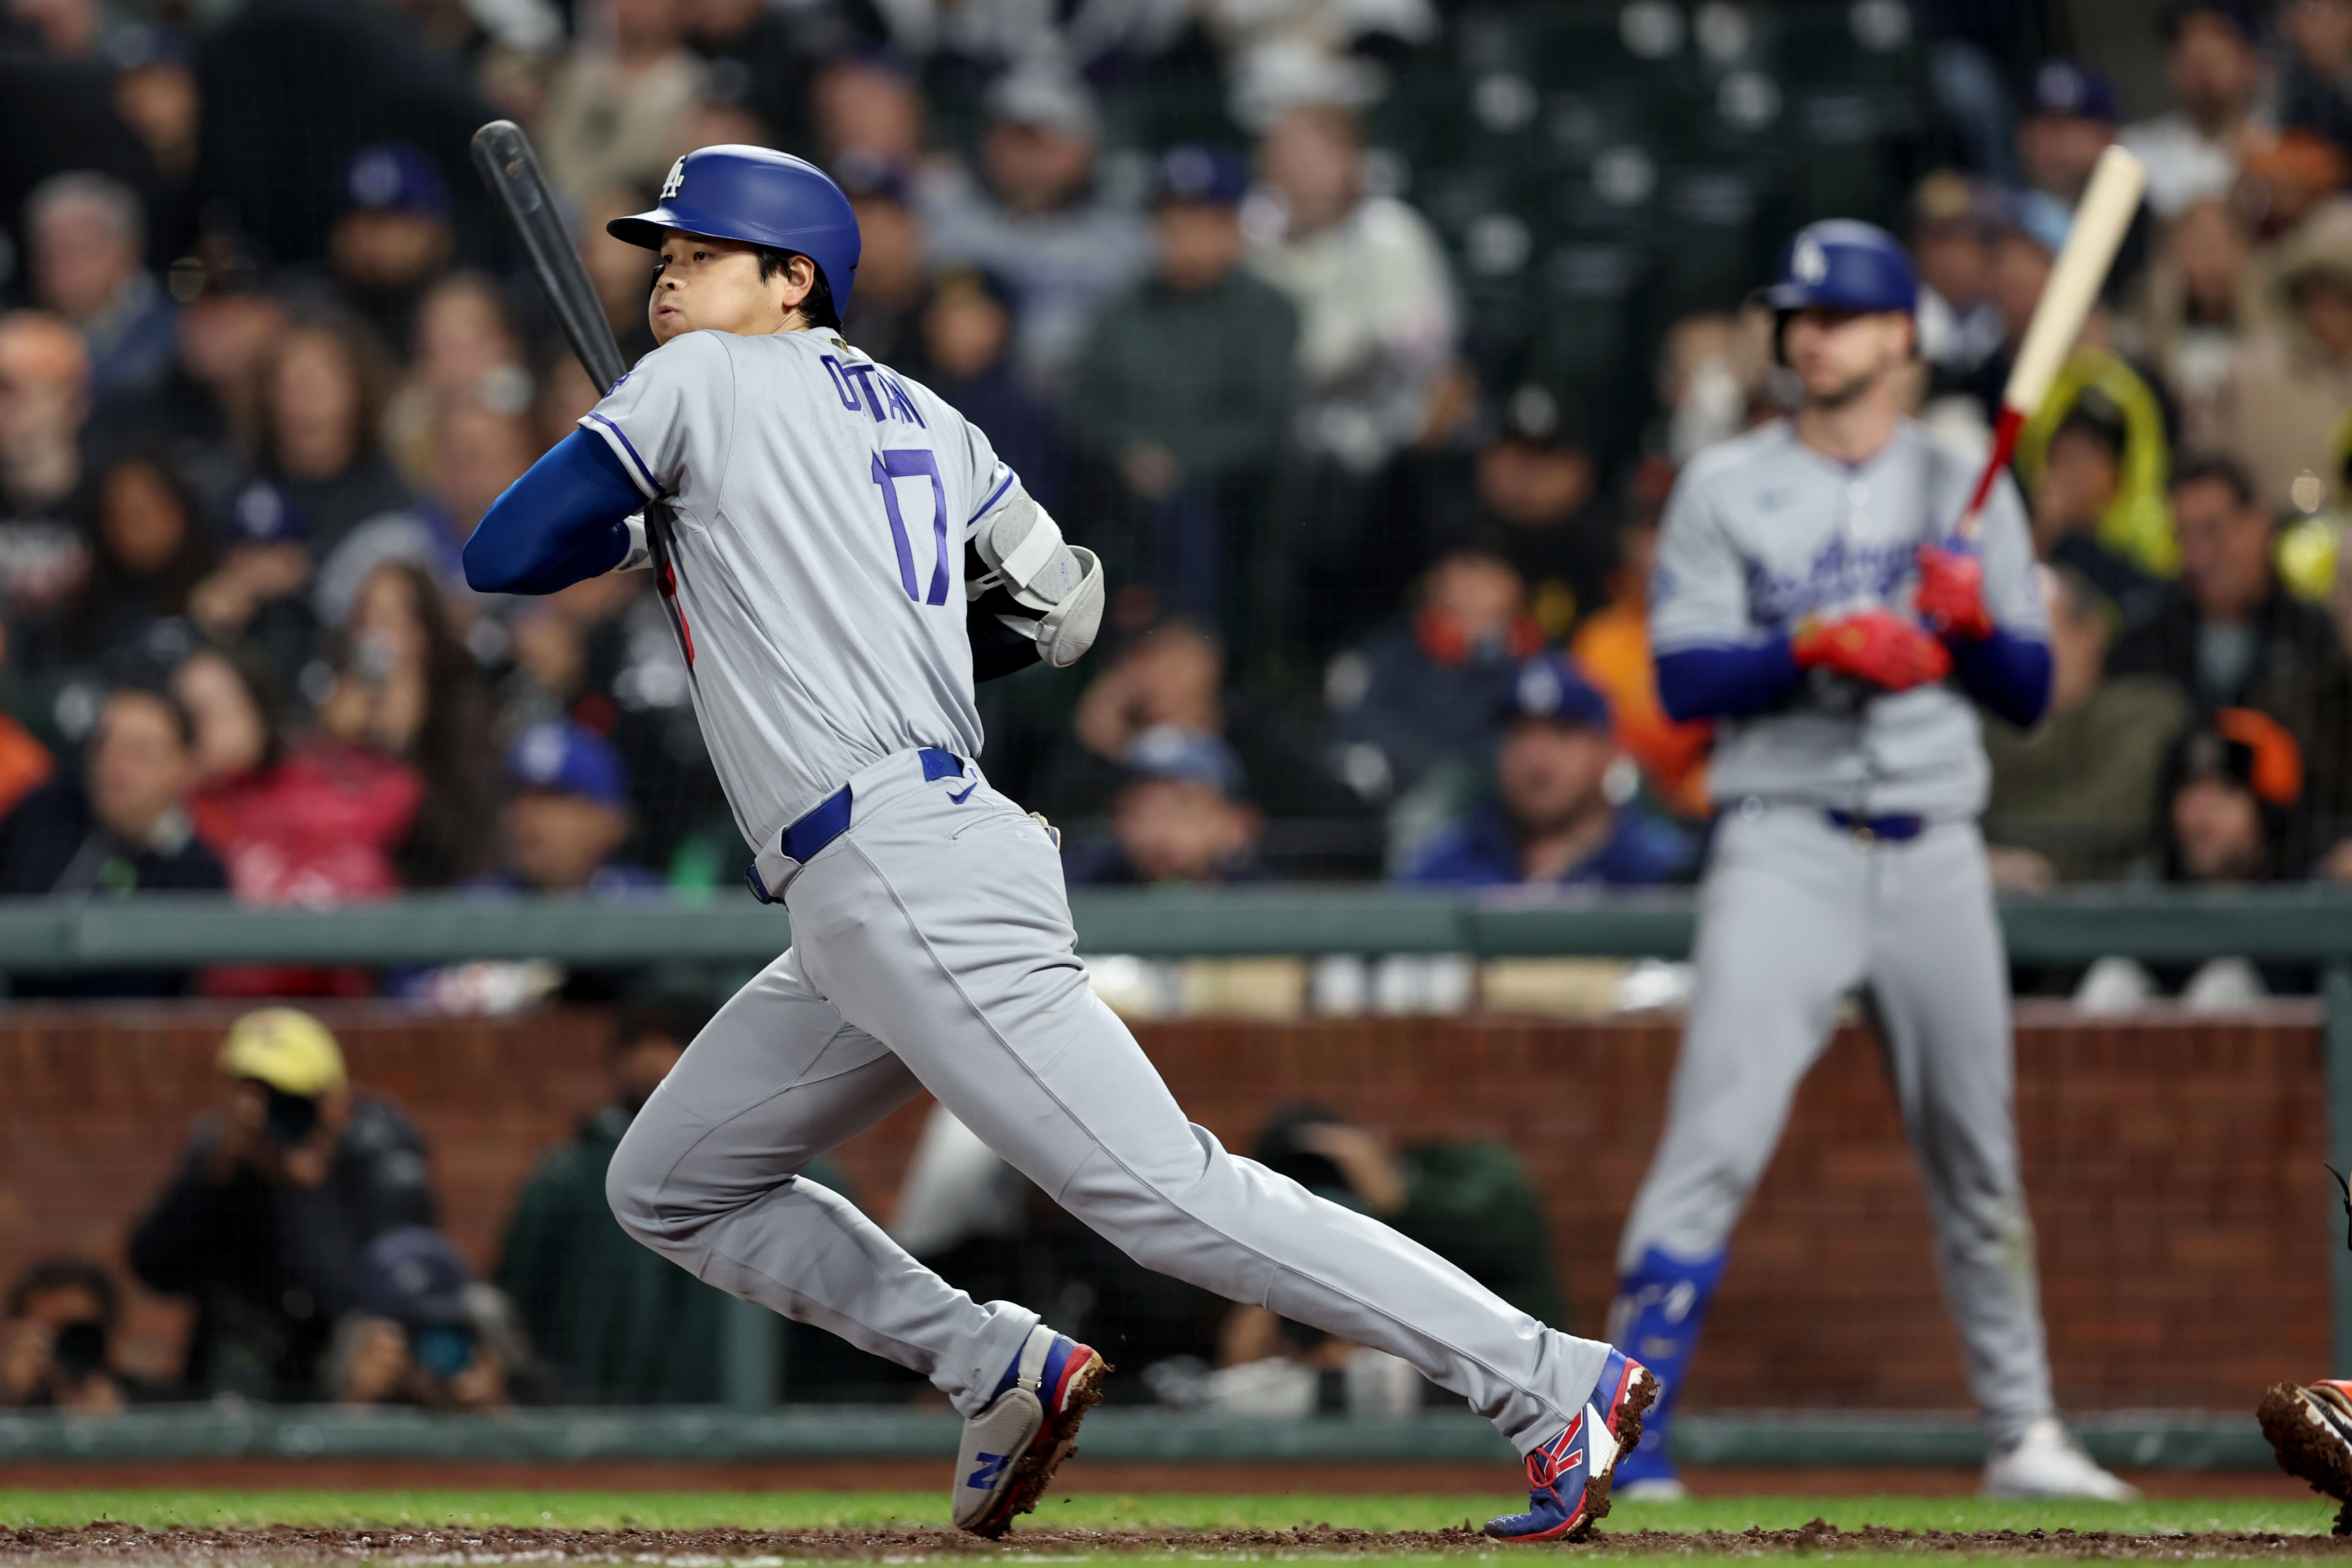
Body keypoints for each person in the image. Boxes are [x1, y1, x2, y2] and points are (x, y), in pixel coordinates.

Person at [460, 144, 1651, 1543]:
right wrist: (748, 558)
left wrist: (630, 481)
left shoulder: (701, 381)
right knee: (671, 1181)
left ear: (793, 280)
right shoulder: (928, 414)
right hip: (898, 867)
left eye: (700, 257)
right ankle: (994, 1364)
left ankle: (1546, 1378)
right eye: (662, 261)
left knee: (1167, 1194)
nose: (667, 284)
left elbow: (503, 551)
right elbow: (1063, 612)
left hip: (898, 867)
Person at [1613, 220, 2131, 1504]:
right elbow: (1683, 681)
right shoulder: (1726, 481)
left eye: (1837, 316)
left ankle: (2025, 1433)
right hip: (1782, 838)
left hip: (1936, 848)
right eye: (1797, 316)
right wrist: (1817, 644)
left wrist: (1969, 625)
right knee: (1712, 1142)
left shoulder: (1963, 480)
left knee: (1979, 1158)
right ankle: (1622, 1434)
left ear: (1901, 335)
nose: (1811, 335)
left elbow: (2027, 694)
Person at [127, 1008, 436, 1400]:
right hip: (236, 1387)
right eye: (254, 1094)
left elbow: (360, 1302)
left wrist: (304, 1189)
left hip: (339, 1390)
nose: (270, 1113)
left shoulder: (375, 1155)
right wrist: (212, 1175)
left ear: (334, 1100)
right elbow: (154, 1270)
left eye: (289, 1096)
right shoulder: (225, 1161)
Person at [1066, 145, 1295, 633]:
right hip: (1123, 486)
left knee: (1196, 515)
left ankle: (1195, 644)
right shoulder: (1123, 308)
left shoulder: (1268, 311)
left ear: (1233, 229)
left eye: (1201, 221)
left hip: (1229, 495)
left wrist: (1178, 461)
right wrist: (1130, 452)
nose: (1183, 236)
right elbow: (1086, 404)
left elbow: (1266, 421)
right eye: (1171, 220)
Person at [496, 994, 748, 1401]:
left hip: (743, 1419)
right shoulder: (569, 1175)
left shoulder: (779, 1168)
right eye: (638, 1040)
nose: (652, 1057)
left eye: (675, 1038)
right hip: (589, 1414)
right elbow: (520, 1299)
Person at [920, 67, 1151, 390]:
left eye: (1043, 141)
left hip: (1100, 398)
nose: (1027, 159)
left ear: (1084, 149)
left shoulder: (1127, 237)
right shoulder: (945, 219)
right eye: (1014, 140)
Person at [1402, 653, 1690, 889]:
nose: (1537, 758)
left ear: (1607, 752)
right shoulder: (1447, 867)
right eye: (1520, 736)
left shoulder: (1664, 868)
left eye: (1563, 734)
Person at [1982, 567, 2190, 888]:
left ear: (2092, 633)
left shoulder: (2144, 713)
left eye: (2037, 633)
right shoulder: (1985, 726)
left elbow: (2105, 825)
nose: (2020, 654)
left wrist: (1984, 856)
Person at [2109, 455, 2334, 715]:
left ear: (2259, 524)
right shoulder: (2144, 640)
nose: (2199, 557)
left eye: (2212, 530)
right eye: (2182, 536)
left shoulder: (2315, 639)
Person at [25, 171, 177, 402]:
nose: (57, 268)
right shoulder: (29, 334)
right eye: (46, 254)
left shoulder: (179, 337)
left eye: (74, 250)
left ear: (126, 251)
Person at [1061, 726, 1267, 886]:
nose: (1160, 830)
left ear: (1234, 822)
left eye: (1184, 810)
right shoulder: (1078, 888)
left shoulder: (1265, 901)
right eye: (1143, 811)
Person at [2119, 2, 2267, 221]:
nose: (2204, 75)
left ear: (2250, 62)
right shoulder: (2133, 153)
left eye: (2216, 59)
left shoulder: (2284, 136)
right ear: (2171, 68)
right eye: (2191, 61)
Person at [482, 721, 661, 895]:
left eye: (554, 795)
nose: (525, 811)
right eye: (516, 794)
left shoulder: (654, 904)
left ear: (611, 821)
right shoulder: (476, 906)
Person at [325, 144, 458, 355]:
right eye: (358, 219)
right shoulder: (315, 313)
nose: (371, 238)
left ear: (437, 230)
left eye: (392, 219)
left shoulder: (473, 307)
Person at [2, 1258, 135, 1411]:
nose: (58, 1344)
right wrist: (10, 1398)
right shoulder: (17, 1400)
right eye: (43, 1334)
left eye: (75, 1332)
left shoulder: (149, 1401)